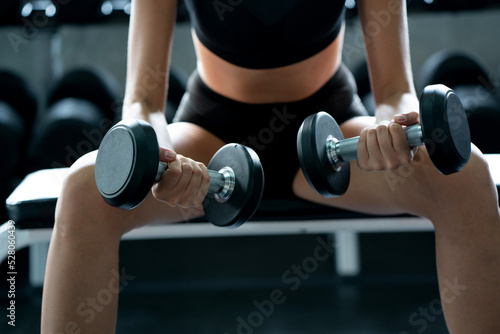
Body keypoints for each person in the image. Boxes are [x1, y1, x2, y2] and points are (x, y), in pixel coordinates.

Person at [41, 0, 500, 333]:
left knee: (467, 174)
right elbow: (141, 102)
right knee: (84, 188)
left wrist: (392, 132)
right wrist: (156, 162)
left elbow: (395, 91)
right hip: (212, 131)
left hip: (331, 131)